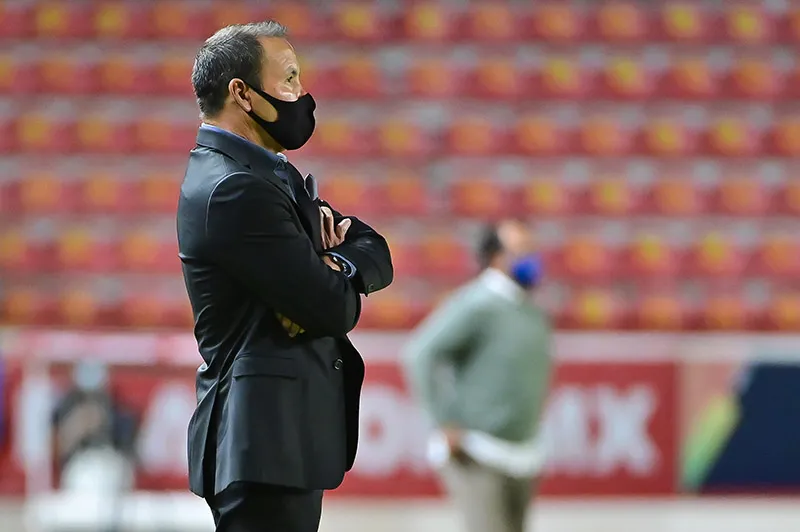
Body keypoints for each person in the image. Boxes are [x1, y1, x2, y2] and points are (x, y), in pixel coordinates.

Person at [177, 21, 393, 532]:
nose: (302, 93)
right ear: (241, 93)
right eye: (290, 78)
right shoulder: (234, 187)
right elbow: (330, 308)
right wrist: (327, 283)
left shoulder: (265, 173)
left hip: (277, 442)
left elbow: (374, 247)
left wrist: (334, 266)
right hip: (262, 442)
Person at [403, 220, 552, 532]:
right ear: (497, 257)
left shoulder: (528, 308)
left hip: (522, 453)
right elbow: (421, 353)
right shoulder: (478, 302)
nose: (532, 258)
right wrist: (443, 422)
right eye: (522, 250)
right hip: (478, 451)